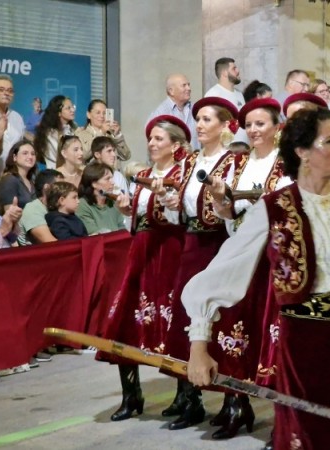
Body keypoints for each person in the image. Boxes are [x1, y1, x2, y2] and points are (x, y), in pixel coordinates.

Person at [183, 107, 330, 449]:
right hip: (304, 348)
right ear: (302, 152)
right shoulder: (272, 208)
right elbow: (220, 275)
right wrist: (199, 345)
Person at [193, 98, 291, 441]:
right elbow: (226, 214)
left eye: (261, 124)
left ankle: (283, 419)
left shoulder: (286, 163)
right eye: (249, 124)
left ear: (277, 127)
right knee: (235, 326)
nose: (253, 130)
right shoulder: (238, 161)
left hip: (274, 257)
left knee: (272, 336)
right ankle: (237, 404)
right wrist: (223, 200)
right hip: (241, 252)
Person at [96, 114, 187, 423]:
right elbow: (137, 221)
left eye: (159, 138)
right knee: (125, 322)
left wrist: (164, 196)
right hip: (142, 252)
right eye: (150, 138)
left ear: (176, 145)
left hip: (169, 252)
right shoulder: (145, 174)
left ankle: (186, 397)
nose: (151, 143)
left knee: (174, 324)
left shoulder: (181, 175)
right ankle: (131, 395)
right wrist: (125, 208)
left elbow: (180, 218)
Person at [162, 97, 239, 431]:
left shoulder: (235, 160)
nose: (200, 124)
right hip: (191, 243)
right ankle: (189, 396)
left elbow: (233, 209)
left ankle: (233, 400)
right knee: (184, 315)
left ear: (224, 125)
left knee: (223, 319)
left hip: (218, 244)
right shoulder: (190, 161)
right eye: (198, 119)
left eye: (207, 119)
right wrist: (169, 202)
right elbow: (179, 208)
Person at [147, 73, 199, 149]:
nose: (188, 88)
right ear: (171, 91)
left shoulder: (196, 109)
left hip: (194, 159)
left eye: (188, 85)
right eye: (184, 85)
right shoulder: (159, 114)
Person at [76, 163, 129, 235]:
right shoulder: (82, 205)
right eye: (107, 179)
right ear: (94, 183)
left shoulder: (113, 203)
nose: (113, 182)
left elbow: (122, 230)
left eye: (112, 178)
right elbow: (94, 234)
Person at [17, 169, 62, 245]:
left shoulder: (60, 207)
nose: (64, 190)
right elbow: (50, 243)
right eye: (60, 186)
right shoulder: (32, 209)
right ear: (47, 187)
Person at [33, 95, 77, 169]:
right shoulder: (50, 133)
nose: (72, 110)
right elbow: (58, 156)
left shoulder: (73, 128)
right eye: (68, 108)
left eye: (72, 107)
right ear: (59, 113)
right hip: (55, 172)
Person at [0, 74, 25, 176]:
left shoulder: (17, 117)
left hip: (12, 177)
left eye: (10, 91)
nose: (6, 93)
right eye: (1, 89)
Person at [0, 140, 37, 209]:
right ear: (14, 157)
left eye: (33, 154)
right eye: (25, 153)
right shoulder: (10, 180)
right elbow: (9, 211)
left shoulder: (32, 181)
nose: (30, 157)